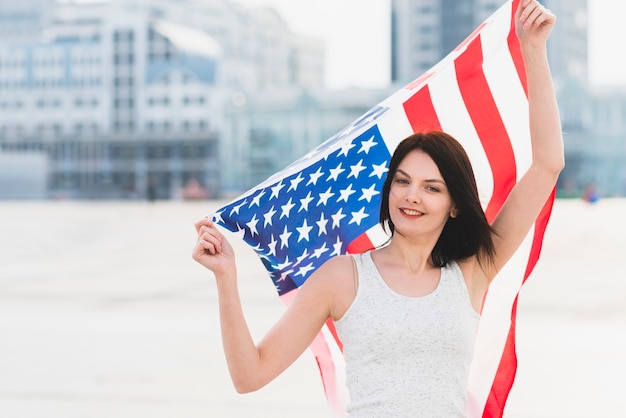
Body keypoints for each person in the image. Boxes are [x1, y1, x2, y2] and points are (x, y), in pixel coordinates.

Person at [191, 1, 563, 416]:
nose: (411, 196)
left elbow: (547, 164)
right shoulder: (341, 277)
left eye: (431, 188)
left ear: (455, 205)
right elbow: (250, 375)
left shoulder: (473, 271)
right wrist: (226, 277)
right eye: (402, 181)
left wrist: (533, 49)